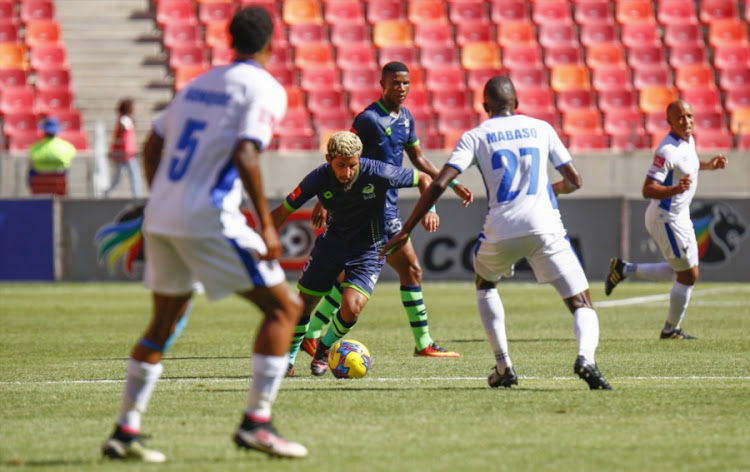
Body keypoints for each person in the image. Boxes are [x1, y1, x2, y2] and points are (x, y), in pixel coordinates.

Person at [101, 7, 307, 461]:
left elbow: (152, 144)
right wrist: (268, 226)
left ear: (231, 41)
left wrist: (165, 198)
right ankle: (258, 422)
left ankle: (125, 430)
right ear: (271, 43)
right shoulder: (265, 88)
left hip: (161, 217)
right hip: (209, 215)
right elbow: (246, 155)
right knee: (284, 308)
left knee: (164, 323)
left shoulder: (197, 85)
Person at [381, 76, 612, 390]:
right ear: (516, 103)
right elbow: (574, 180)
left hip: (501, 227)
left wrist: (406, 229)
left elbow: (437, 183)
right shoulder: (542, 128)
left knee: (485, 282)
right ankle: (586, 358)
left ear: (484, 106)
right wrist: (545, 192)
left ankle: (504, 365)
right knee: (581, 302)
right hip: (546, 226)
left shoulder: (476, 136)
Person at [301, 61, 474, 359]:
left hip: (388, 205)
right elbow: (341, 156)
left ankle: (313, 333)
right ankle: (423, 343)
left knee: (350, 279)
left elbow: (419, 159)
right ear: (382, 84)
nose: (401, 88)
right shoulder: (368, 119)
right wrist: (324, 200)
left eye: (406, 83)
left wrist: (452, 183)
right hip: (373, 209)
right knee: (411, 270)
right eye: (395, 83)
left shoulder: (406, 118)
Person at [271, 131, 433, 377]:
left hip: (368, 250)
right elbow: (282, 211)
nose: (347, 172)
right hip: (331, 246)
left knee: (352, 307)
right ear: (328, 159)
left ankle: (324, 349)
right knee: (303, 305)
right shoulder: (318, 178)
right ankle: (288, 361)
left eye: (352, 165)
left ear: (360, 159)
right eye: (341, 166)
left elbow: (424, 179)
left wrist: (430, 209)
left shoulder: (377, 171)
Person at [605, 100, 728, 340]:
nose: (687, 122)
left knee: (681, 272)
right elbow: (648, 189)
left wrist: (708, 166)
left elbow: (688, 166)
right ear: (669, 122)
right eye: (680, 117)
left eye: (689, 116)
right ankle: (670, 330)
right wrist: (675, 190)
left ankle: (624, 269)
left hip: (680, 216)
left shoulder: (688, 141)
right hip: (666, 218)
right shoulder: (666, 150)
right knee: (688, 275)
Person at [105, 98, 144, 198]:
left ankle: (107, 193)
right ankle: (137, 195)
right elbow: (124, 128)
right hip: (126, 153)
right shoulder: (125, 120)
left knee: (118, 177)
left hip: (124, 152)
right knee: (134, 175)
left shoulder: (123, 119)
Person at [28, 116, 76, 194]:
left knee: (31, 169)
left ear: (44, 131)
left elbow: (32, 158)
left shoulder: (35, 147)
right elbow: (72, 155)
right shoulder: (66, 146)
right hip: (59, 184)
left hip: (39, 184)